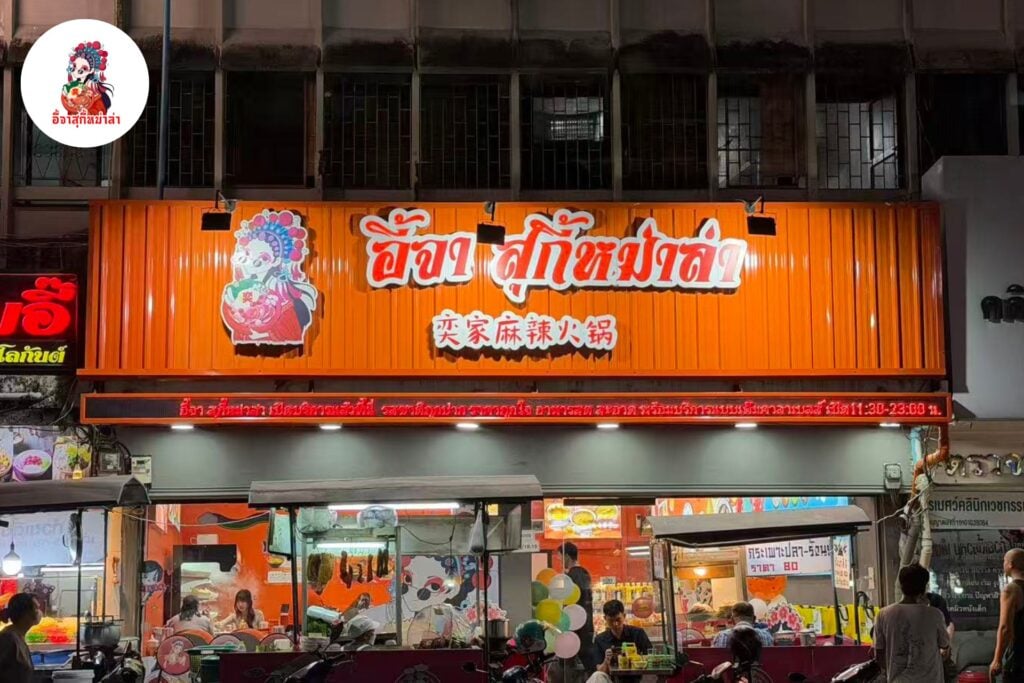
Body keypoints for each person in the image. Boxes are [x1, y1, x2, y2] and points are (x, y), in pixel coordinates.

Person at [873, 563, 949, 682]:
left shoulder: (883, 614)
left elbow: (879, 654)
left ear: (901, 585)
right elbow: (945, 645)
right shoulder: (935, 614)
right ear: (924, 587)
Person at [560, 542, 596, 672]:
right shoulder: (583, 574)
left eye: (560, 557)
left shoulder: (574, 576)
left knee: (582, 668)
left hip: (578, 630)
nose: (560, 561)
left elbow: (574, 602)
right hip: (584, 628)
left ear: (566, 556)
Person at [593, 600, 652, 676]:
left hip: (633, 678)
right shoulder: (600, 639)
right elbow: (600, 671)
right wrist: (606, 660)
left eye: (618, 619)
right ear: (605, 618)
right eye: (611, 620)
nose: (615, 624)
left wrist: (637, 658)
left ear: (624, 616)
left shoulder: (637, 633)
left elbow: (650, 657)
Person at [992, 548, 1024, 682]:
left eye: (1004, 561)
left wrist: (997, 659)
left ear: (1010, 564)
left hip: (1018, 658)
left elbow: (1005, 628)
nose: (1003, 564)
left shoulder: (1011, 589)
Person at [0, 593, 41, 683]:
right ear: (25, 614)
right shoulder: (8, 639)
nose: (39, 612)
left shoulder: (18, 636)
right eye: (36, 608)